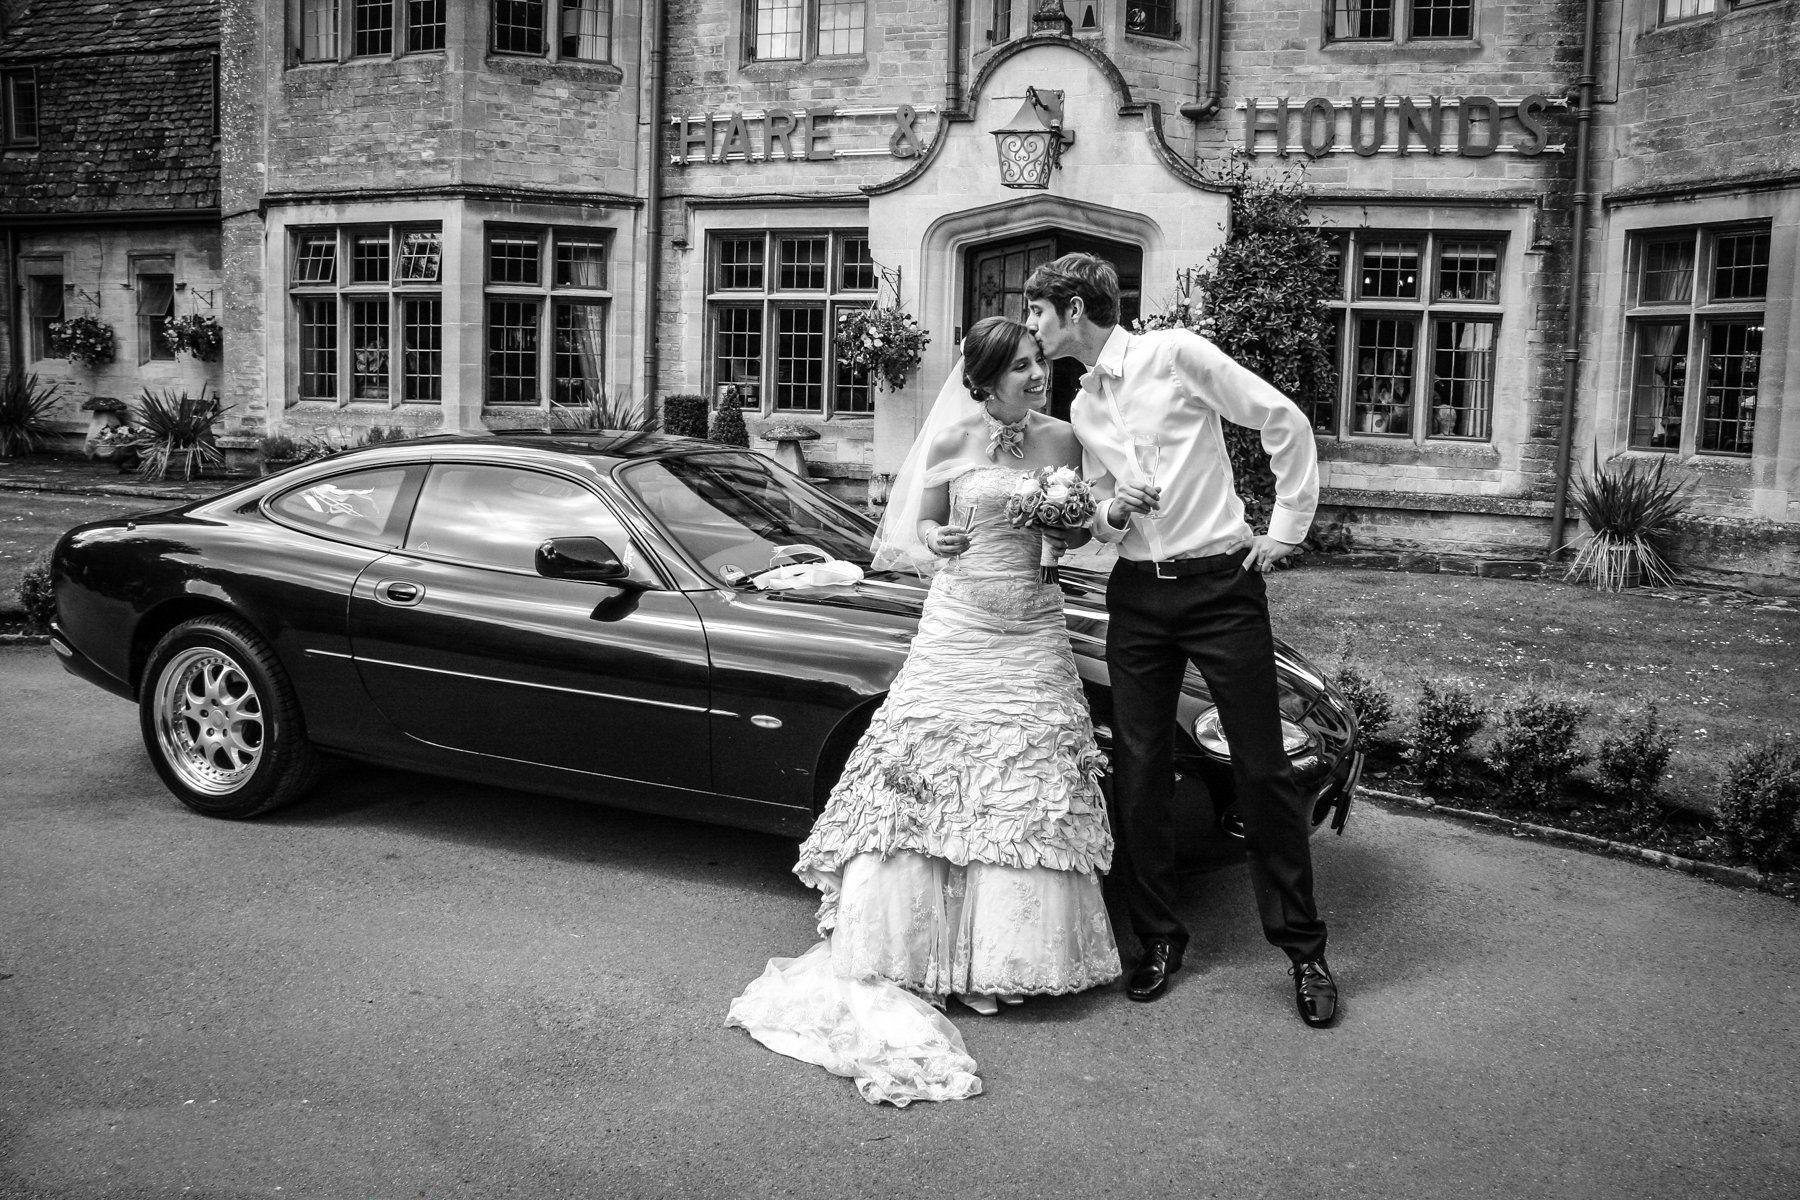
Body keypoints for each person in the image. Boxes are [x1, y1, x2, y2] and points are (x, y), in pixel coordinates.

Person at [727, 316, 1121, 1104]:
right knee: (928, 771)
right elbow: (929, 521)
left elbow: (1079, 534)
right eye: (1020, 366)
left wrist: (1068, 522)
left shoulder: (1063, 439)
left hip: (1032, 626)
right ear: (984, 379)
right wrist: (939, 539)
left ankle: (1003, 958)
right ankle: (914, 947)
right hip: (959, 623)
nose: (1037, 374)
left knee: (1025, 778)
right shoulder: (949, 438)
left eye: (1037, 362)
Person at [1023, 252, 1340, 1028]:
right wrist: (1115, 510)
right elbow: (1101, 516)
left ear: (1073, 309)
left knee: (1261, 768)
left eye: (1037, 311)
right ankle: (1159, 938)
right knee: (1139, 771)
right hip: (1137, 596)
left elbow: (1282, 419)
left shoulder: (1176, 354)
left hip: (1221, 588)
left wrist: (1287, 528)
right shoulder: (1084, 406)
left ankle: (1304, 951)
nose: (1031, 326)